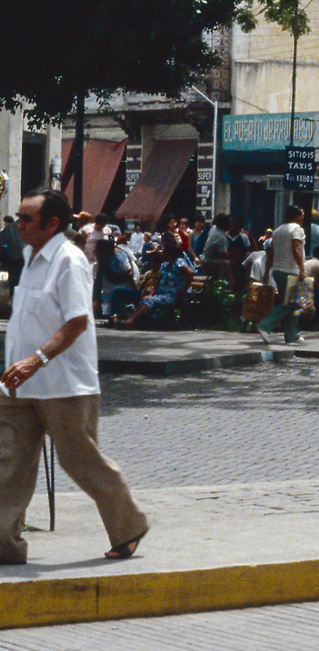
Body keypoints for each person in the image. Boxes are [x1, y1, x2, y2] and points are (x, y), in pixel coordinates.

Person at [0, 188, 149, 562]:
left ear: (52, 223)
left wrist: (36, 359)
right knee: (8, 462)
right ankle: (5, 545)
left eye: (26, 218)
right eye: (18, 217)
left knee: (80, 460)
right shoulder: (30, 255)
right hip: (17, 385)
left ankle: (129, 526)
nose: (18, 225)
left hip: (64, 384)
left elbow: (77, 321)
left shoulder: (69, 259)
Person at [256, 204, 309, 345]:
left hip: (277, 271)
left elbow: (271, 253)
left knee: (291, 303)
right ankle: (265, 324)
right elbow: (297, 248)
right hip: (291, 271)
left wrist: (267, 272)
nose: (303, 217)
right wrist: (302, 269)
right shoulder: (297, 229)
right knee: (292, 303)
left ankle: (292, 335)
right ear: (297, 216)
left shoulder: (278, 230)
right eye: (302, 214)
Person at [118, 234, 195, 328]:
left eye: (165, 253)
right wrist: (152, 293)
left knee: (150, 301)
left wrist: (185, 289)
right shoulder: (164, 265)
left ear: (170, 255)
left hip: (174, 294)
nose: (162, 255)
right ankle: (131, 320)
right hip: (162, 294)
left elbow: (190, 273)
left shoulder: (178, 262)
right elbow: (158, 281)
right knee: (146, 299)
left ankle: (131, 321)